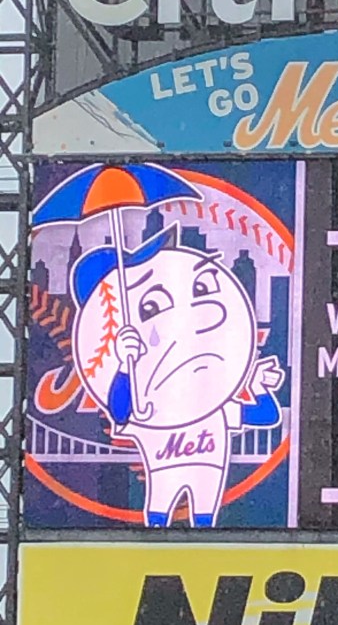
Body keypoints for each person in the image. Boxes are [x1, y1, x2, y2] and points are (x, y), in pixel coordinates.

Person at [71, 224, 284, 528]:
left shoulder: (212, 403)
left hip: (209, 487)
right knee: (158, 516)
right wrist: (121, 366)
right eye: (151, 306)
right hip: (162, 486)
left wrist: (258, 385)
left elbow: (266, 415)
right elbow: (120, 411)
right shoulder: (148, 411)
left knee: (206, 520)